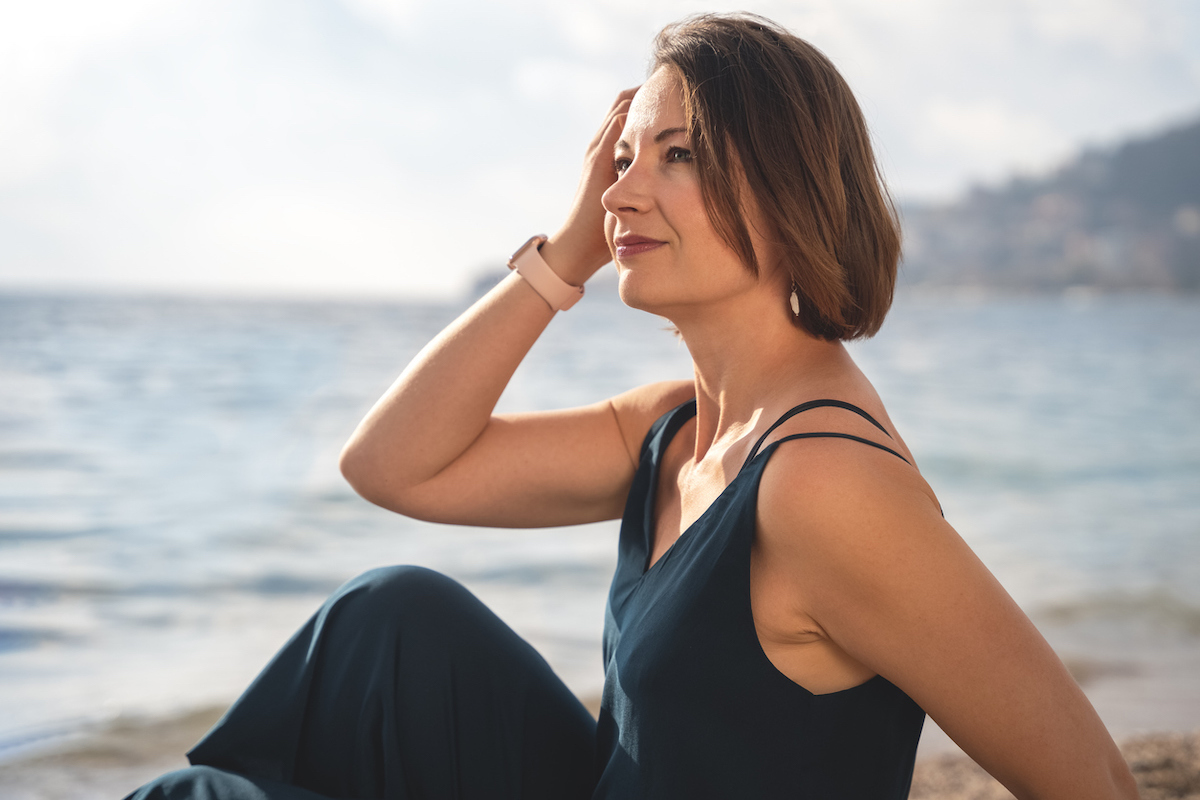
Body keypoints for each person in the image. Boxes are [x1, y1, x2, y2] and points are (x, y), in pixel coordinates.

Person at [126, 12, 1138, 800]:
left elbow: (1093, 779)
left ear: (787, 190)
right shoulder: (677, 428)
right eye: (623, 157)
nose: (621, 193)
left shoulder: (827, 483)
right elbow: (392, 465)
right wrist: (563, 256)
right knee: (389, 616)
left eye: (679, 155)